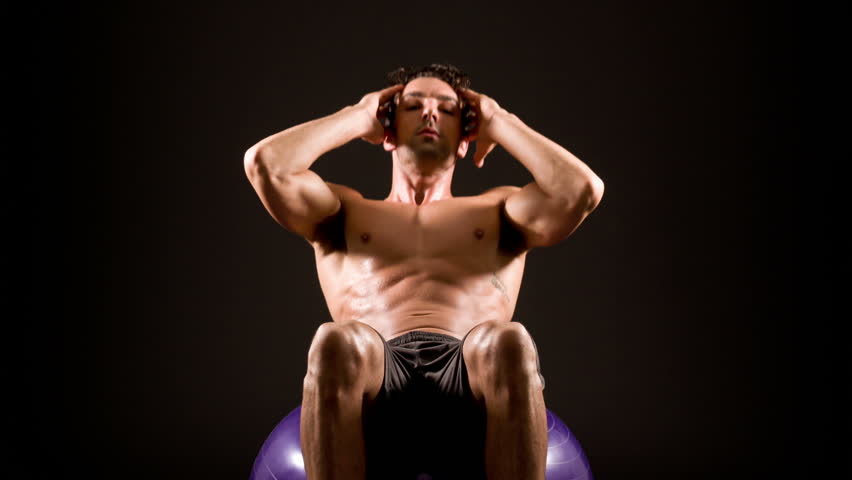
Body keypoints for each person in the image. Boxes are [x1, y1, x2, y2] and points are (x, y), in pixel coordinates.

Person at [243, 63, 604, 480]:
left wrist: (499, 121)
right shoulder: (344, 211)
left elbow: (582, 191)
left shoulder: (500, 209)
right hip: (374, 376)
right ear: (388, 131)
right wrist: (358, 115)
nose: (430, 114)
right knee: (334, 339)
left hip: (472, 376)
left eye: (448, 110)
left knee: (509, 339)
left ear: (466, 138)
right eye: (413, 105)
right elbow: (265, 164)